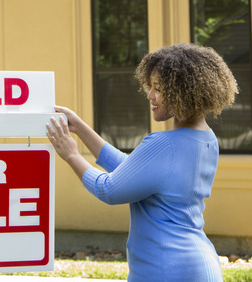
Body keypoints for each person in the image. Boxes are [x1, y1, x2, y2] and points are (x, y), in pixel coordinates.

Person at [46, 42, 237, 282]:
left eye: (159, 88)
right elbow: (135, 170)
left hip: (168, 269)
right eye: (151, 86)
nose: (150, 95)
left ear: (184, 91)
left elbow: (109, 189)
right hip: (198, 265)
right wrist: (81, 128)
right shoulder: (207, 139)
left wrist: (71, 155)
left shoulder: (165, 144)